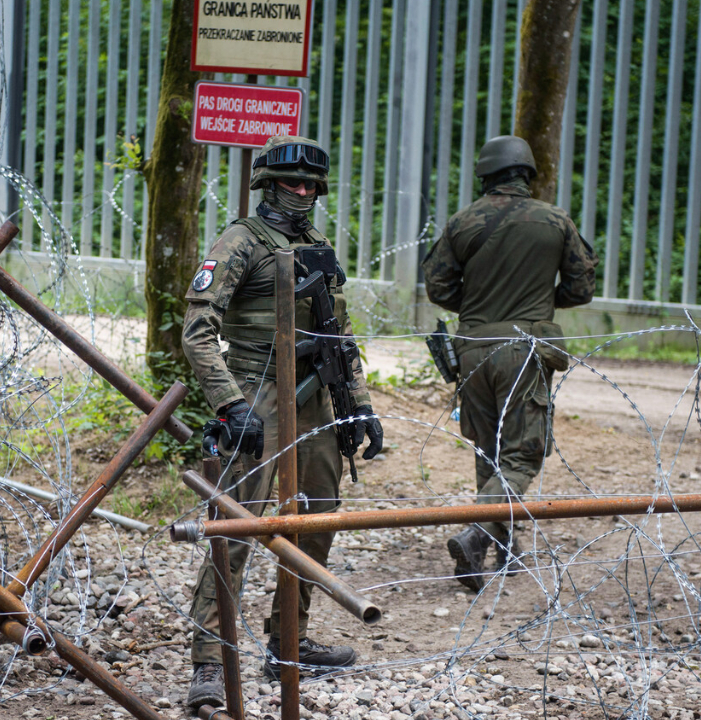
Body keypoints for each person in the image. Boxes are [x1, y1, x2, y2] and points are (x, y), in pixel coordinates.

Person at [181, 135, 384, 709]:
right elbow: (197, 331)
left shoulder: (318, 245)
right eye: (292, 183)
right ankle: (208, 659)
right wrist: (230, 402)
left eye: (311, 186)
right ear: (268, 184)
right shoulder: (241, 242)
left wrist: (360, 404)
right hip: (258, 391)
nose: (303, 193)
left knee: (318, 520)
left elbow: (340, 337)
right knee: (237, 527)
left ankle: (287, 641)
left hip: (317, 395)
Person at [422, 135, 596, 592]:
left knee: (489, 447)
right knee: (523, 452)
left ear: (485, 174)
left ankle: (502, 547)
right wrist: (539, 300)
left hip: (473, 347)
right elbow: (581, 287)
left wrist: (480, 302)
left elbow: (438, 287)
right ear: (527, 173)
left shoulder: (463, 222)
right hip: (524, 347)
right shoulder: (554, 220)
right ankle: (480, 531)